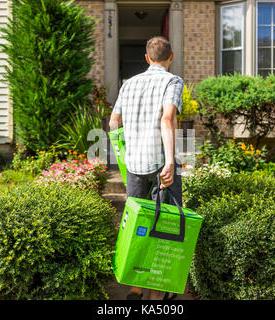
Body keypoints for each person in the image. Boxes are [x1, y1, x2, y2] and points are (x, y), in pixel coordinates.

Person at [109, 36, 184, 300]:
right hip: (161, 165)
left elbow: (113, 122)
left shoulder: (128, 84)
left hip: (135, 165)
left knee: (138, 225)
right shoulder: (172, 81)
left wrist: (125, 157)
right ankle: (157, 292)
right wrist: (171, 162)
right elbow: (168, 117)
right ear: (171, 57)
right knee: (165, 223)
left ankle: (135, 286)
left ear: (146, 58)